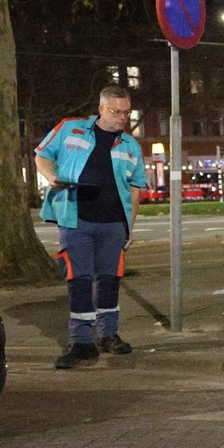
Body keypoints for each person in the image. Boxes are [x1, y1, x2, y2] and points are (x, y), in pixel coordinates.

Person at [34, 86, 147, 369]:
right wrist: (51, 176)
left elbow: (135, 190)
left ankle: (108, 334)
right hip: (77, 220)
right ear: (101, 109)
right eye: (116, 111)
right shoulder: (70, 129)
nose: (123, 117)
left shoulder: (130, 146)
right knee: (79, 280)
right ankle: (81, 341)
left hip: (113, 224)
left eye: (127, 112)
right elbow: (42, 155)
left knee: (110, 279)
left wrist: (129, 227)